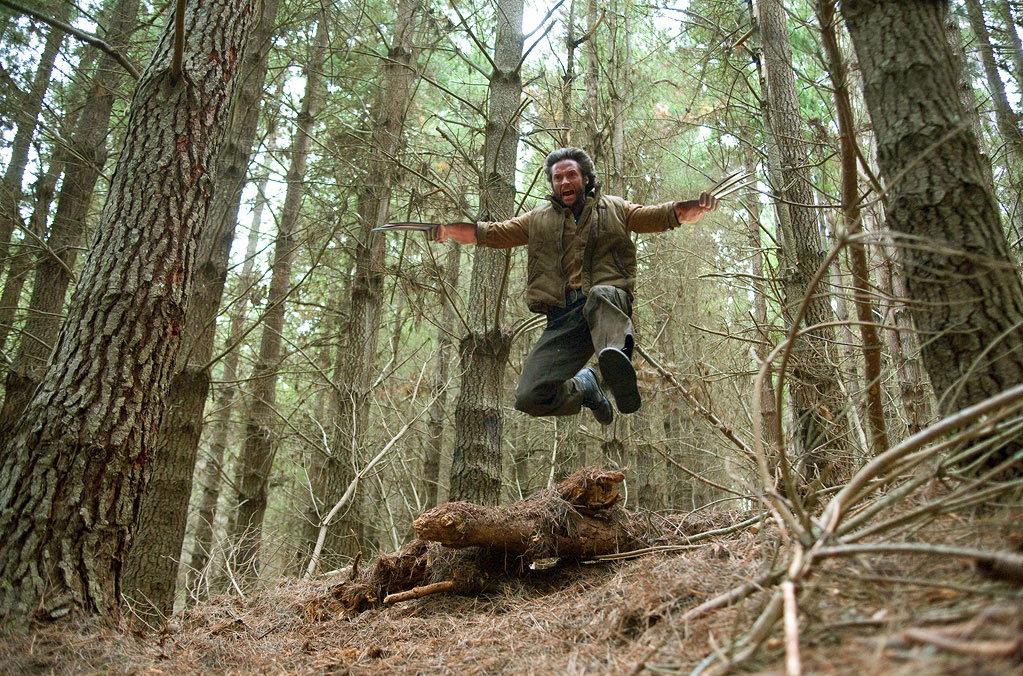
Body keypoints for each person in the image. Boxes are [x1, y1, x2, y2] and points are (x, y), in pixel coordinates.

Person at [435, 147, 718, 425]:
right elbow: (490, 233)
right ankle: (587, 386)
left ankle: (615, 358)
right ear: (553, 184)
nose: (564, 182)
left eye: (571, 175)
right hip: (564, 317)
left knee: (599, 293)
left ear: (585, 179)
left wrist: (696, 208)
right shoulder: (538, 219)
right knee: (529, 396)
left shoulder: (617, 209)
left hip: (607, 306)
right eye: (558, 178)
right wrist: (447, 230)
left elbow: (665, 215)